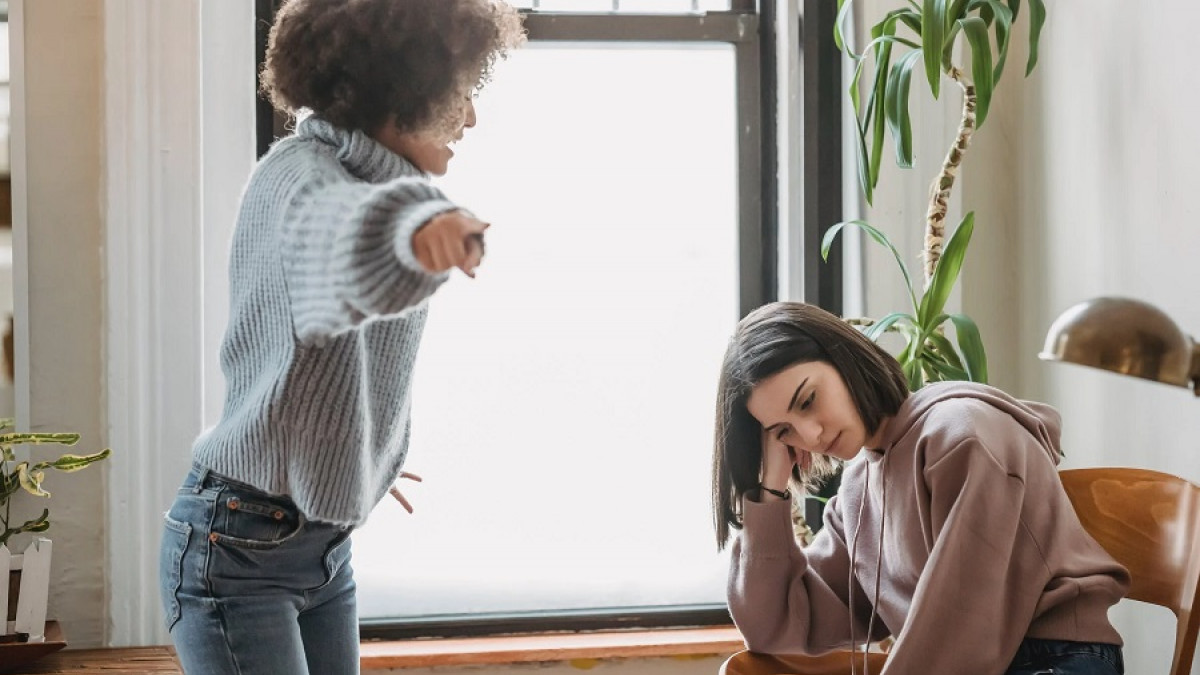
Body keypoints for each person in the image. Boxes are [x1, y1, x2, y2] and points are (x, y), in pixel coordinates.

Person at [157, 1, 524, 673]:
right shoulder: (299, 177)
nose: (470, 117)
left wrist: (359, 450)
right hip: (239, 551)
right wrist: (414, 240)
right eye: (461, 93)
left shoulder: (392, 185)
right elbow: (339, 237)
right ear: (401, 88)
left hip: (322, 550)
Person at [712, 302, 1130, 675]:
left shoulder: (961, 437)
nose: (811, 434)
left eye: (807, 401)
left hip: (1056, 660)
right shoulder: (859, 489)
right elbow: (775, 629)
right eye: (784, 430)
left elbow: (963, 630)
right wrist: (768, 493)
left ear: (843, 357)